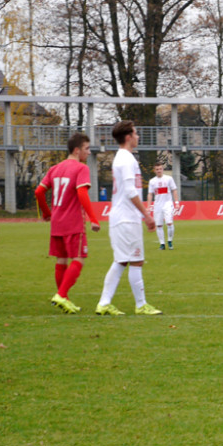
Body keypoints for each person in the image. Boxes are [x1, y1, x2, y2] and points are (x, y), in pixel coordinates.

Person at [95, 121, 162, 316]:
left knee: (122, 261)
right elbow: (131, 191)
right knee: (136, 260)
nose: (138, 136)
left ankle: (104, 303)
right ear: (128, 137)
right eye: (135, 133)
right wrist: (147, 215)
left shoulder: (123, 158)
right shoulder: (126, 159)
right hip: (126, 218)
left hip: (120, 217)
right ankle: (140, 305)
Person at [35, 132, 102, 314]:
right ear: (77, 150)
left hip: (57, 222)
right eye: (87, 149)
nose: (89, 153)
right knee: (79, 258)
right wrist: (93, 219)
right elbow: (82, 194)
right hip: (73, 222)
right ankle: (62, 295)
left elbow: (39, 192)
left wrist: (46, 213)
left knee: (61, 260)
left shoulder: (54, 169)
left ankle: (64, 299)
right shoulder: (81, 168)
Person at [148, 162, 179, 249]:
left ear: (162, 169)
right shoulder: (152, 181)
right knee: (159, 225)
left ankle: (169, 241)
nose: (159, 171)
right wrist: (148, 206)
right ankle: (162, 244)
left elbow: (174, 190)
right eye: (157, 169)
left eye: (160, 169)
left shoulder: (168, 179)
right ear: (154, 170)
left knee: (169, 223)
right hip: (157, 205)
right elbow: (150, 194)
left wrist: (176, 203)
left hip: (167, 204)